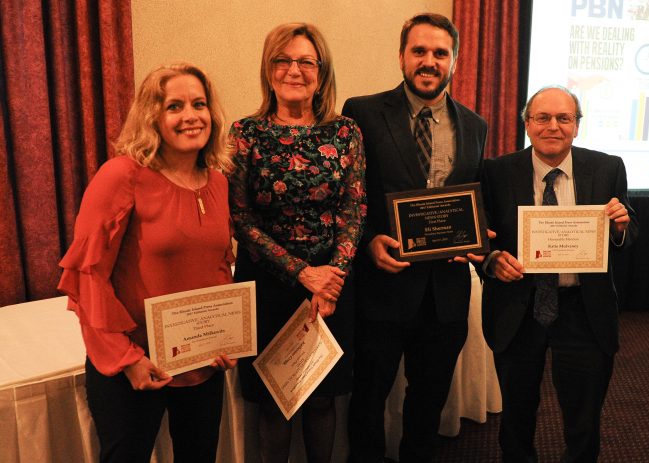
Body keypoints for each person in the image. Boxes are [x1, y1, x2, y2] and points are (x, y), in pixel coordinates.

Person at [57, 63, 237, 463]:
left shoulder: (219, 180)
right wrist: (128, 359)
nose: (191, 116)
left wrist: (227, 339)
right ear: (152, 116)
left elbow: (218, 267)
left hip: (201, 363)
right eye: (174, 106)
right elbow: (89, 279)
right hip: (134, 367)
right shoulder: (121, 176)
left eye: (199, 104)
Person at [342, 13, 488, 463]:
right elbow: (348, 195)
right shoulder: (362, 111)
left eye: (440, 53)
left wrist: (478, 238)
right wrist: (368, 241)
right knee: (368, 397)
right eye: (419, 51)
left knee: (429, 399)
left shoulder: (475, 125)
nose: (429, 61)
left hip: (445, 293)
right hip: (382, 286)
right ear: (402, 55)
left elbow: (474, 202)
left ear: (454, 62)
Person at [227, 23, 366, 463]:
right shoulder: (244, 133)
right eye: (283, 60)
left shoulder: (345, 133)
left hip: (330, 284)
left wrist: (332, 278)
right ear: (269, 70)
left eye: (306, 61)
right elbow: (241, 219)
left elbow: (353, 210)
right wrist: (302, 273)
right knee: (274, 402)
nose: (294, 70)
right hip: (268, 283)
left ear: (321, 72)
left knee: (323, 398)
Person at [481, 85, 639, 462]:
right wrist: (491, 261)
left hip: (583, 310)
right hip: (518, 308)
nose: (553, 126)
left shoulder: (607, 168)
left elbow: (629, 228)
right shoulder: (497, 171)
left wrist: (620, 226)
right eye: (542, 117)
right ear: (527, 124)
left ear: (577, 126)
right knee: (516, 417)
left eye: (564, 118)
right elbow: (480, 238)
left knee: (583, 419)